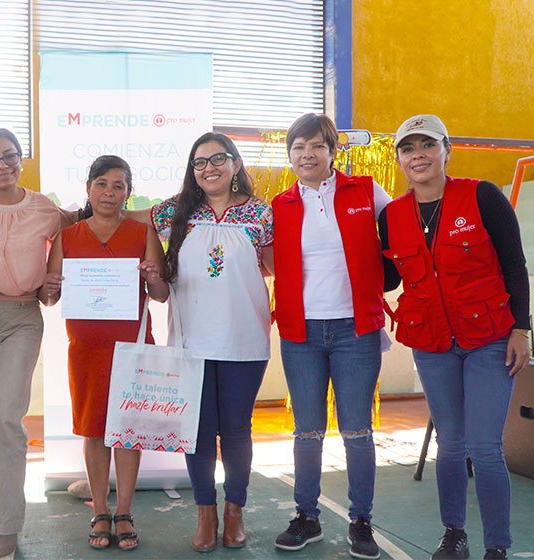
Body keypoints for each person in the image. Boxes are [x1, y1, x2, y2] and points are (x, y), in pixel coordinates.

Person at [380, 114, 531, 560]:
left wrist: (521, 328)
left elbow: (513, 264)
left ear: (446, 150)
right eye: (408, 148)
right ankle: (454, 534)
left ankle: (497, 547)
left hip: (488, 339)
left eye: (427, 145)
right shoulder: (391, 215)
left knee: (484, 447)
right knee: (451, 444)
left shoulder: (481, 196)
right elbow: (386, 278)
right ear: (401, 160)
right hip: (433, 345)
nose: (418, 155)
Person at [130, 132, 273, 552]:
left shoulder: (262, 213)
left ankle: (235, 511)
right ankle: (206, 513)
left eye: (217, 159)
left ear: (234, 164)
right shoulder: (171, 213)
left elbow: (276, 265)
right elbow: (117, 219)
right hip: (191, 342)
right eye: (199, 163)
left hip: (245, 340)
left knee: (235, 430)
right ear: (192, 172)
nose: (208, 168)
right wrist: (65, 217)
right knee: (196, 430)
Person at [0, 127, 79, 558]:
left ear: (22, 159)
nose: (1, 165)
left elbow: (73, 233)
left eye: (10, 156)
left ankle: (7, 524)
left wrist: (52, 282)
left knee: (8, 420)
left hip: (24, 317)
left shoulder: (45, 208)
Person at [270, 113, 391, 559]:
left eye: (316, 146)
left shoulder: (364, 191)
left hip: (355, 330)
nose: (307, 154)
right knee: (307, 432)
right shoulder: (279, 206)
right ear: (291, 155)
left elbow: (403, 230)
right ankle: (307, 517)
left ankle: (361, 521)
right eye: (298, 147)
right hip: (300, 332)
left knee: (357, 430)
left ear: (332, 151)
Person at [40, 155, 169, 551]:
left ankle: (125, 512)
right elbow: (48, 298)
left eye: (118, 186)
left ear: (128, 193)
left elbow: (162, 295)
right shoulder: (68, 236)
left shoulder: (142, 233)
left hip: (131, 347)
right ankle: (100, 510)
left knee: (127, 432)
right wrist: (49, 285)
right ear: (88, 188)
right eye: (102, 184)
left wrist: (152, 278)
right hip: (87, 351)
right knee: (95, 431)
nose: (109, 192)